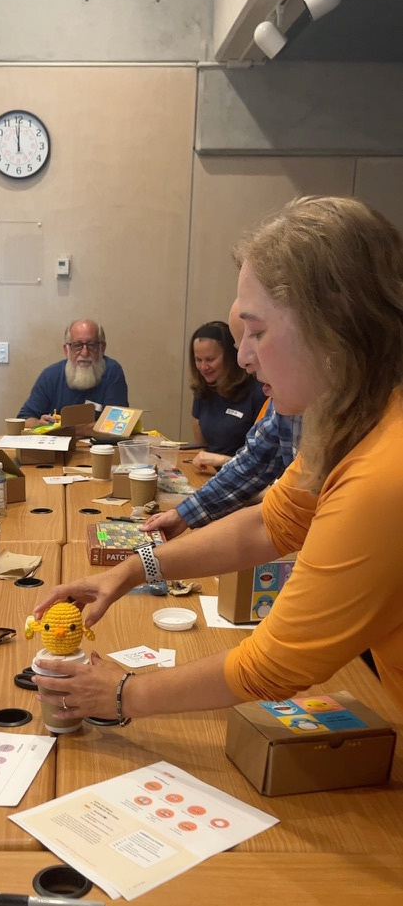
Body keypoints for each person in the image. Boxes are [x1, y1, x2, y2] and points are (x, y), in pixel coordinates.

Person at [33, 195, 403, 724]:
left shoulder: (383, 472)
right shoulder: (354, 422)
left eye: (257, 331)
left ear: (333, 325)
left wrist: (121, 694)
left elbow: (277, 664)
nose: (246, 358)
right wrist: (135, 570)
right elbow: (269, 523)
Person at [145, 304, 301, 539]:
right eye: (240, 345)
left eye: (256, 336)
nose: (243, 359)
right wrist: (183, 515)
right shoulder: (283, 403)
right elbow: (252, 463)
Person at [18, 319, 128, 434]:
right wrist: (39, 424)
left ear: (102, 348)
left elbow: (118, 425)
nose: (85, 353)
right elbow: (24, 419)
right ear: (66, 349)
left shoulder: (112, 371)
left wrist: (67, 428)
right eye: (77, 345)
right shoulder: (50, 375)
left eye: (92, 345)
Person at [189, 319, 266, 469]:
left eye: (210, 359)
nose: (204, 367)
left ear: (230, 356)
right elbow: (202, 444)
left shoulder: (258, 392)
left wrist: (222, 460)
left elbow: (262, 460)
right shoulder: (203, 390)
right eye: (198, 360)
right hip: (210, 474)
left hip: (243, 477)